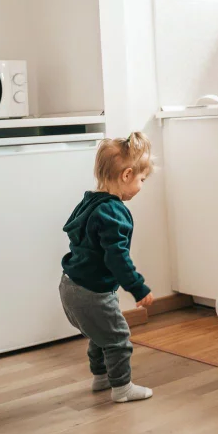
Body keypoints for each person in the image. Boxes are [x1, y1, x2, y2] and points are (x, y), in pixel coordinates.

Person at [58, 132, 156, 403]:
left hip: (70, 285)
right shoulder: (114, 212)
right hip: (92, 292)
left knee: (99, 334)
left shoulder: (90, 201)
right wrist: (138, 288)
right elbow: (117, 258)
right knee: (118, 338)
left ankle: (101, 377)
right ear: (126, 175)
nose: (141, 185)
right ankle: (122, 388)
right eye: (141, 180)